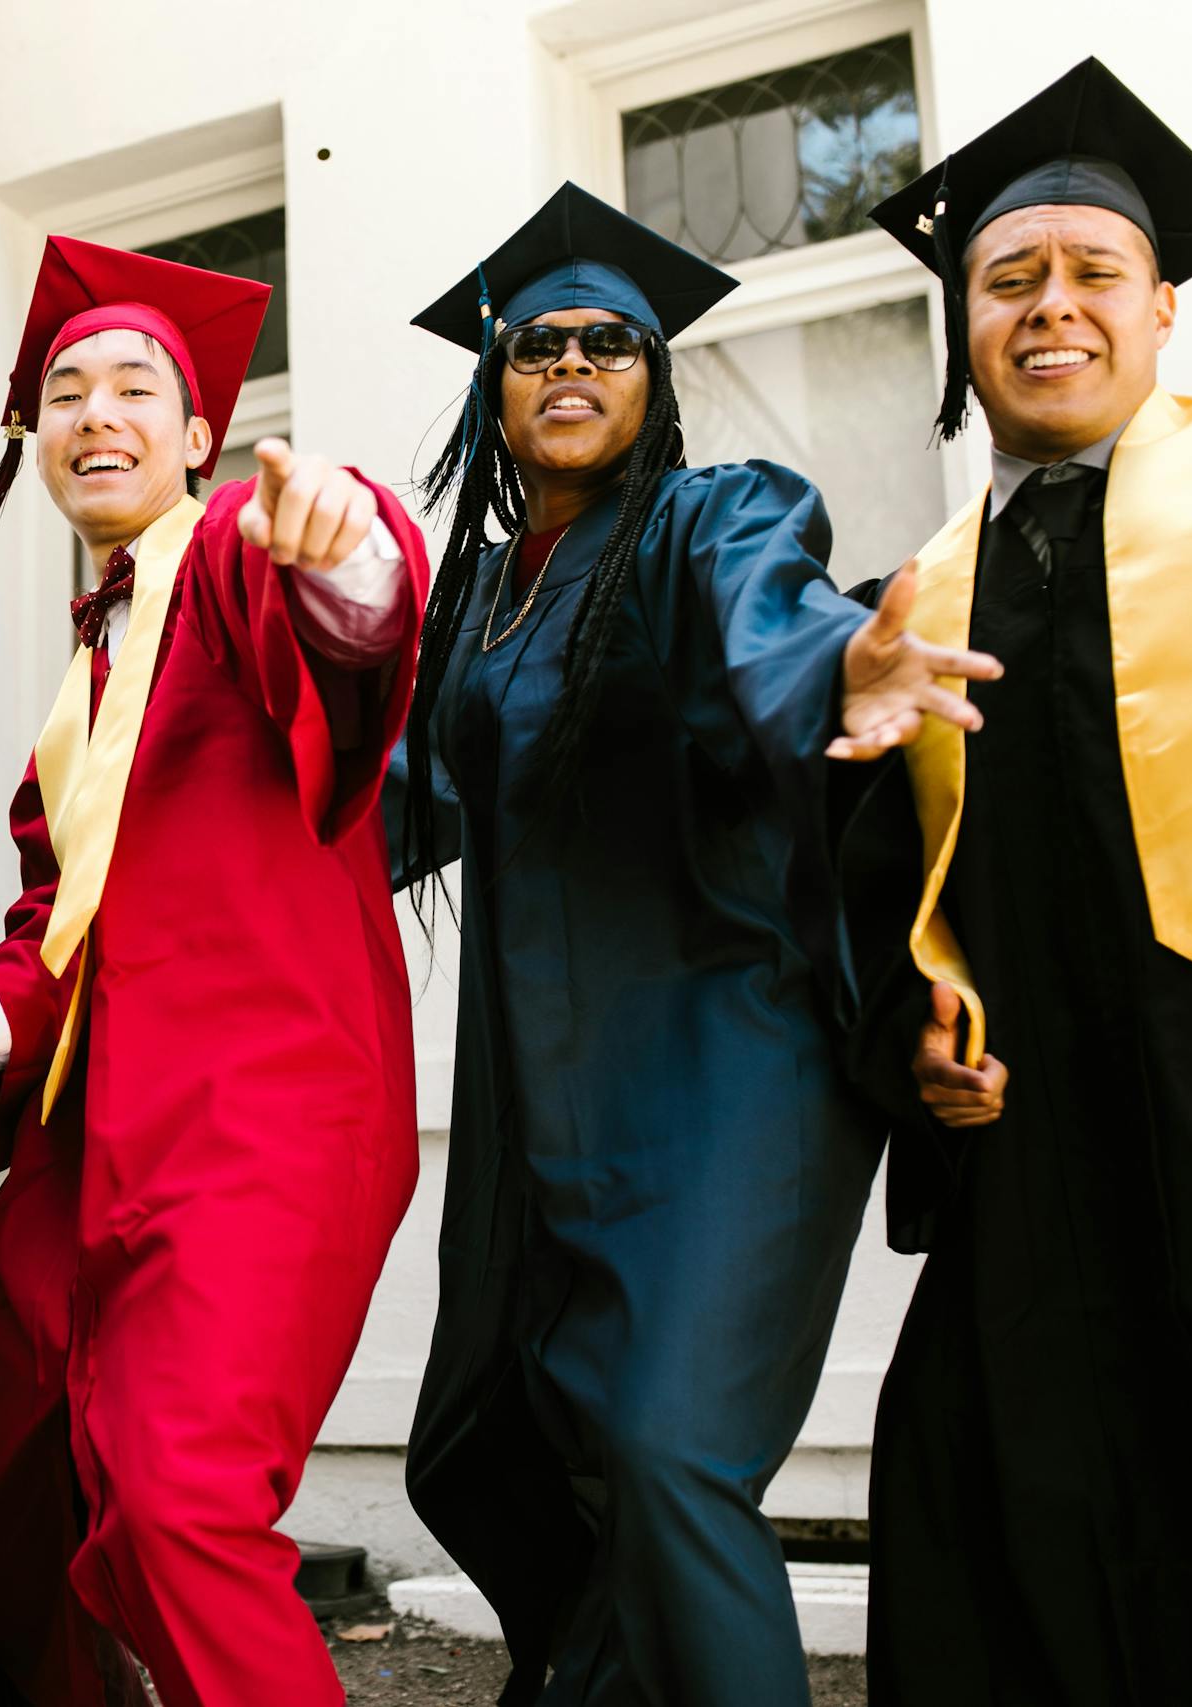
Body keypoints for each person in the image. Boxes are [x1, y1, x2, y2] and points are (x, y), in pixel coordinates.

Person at [386, 182, 997, 1706]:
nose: (573, 365)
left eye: (609, 343)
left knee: (667, 1449)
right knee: (555, 1448)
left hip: (734, 1068)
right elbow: (386, 808)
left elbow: (769, 622)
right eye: (537, 346)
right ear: (493, 383)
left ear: (656, 383)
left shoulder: (708, 519)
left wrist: (840, 669)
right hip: (548, 1101)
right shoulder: (471, 602)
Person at [840, 57, 1192, 1704]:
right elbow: (873, 901)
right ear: (965, 328)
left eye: (1092, 276)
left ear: (1161, 314)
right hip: (1038, 1186)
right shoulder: (911, 607)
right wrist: (910, 1042)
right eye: (1009, 281)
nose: (1049, 309)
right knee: (1004, 1542)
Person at [0, 236, 430, 1706]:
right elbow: (57, 920)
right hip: (92, 1136)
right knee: (5, 1465)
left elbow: (349, 613)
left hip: (264, 1114)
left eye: (138, 387)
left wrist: (352, 547)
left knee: (178, 1499)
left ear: (198, 437)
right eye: (66, 392)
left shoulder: (237, 554)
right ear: (36, 440)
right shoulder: (79, 691)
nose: (98, 412)